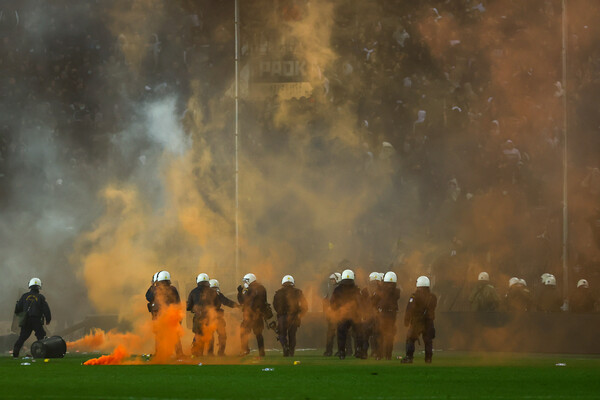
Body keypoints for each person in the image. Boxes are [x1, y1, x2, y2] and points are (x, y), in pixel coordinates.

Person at [146, 270, 184, 357]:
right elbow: (178, 303)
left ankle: (159, 354)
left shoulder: (155, 289)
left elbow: (148, 297)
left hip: (159, 316)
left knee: (159, 335)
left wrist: (152, 285)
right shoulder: (173, 289)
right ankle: (179, 354)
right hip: (171, 315)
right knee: (175, 334)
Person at [401, 275, 437, 364]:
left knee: (410, 339)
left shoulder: (414, 296)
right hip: (429, 321)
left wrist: (406, 320)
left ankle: (409, 357)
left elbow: (409, 308)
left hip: (417, 321)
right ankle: (428, 359)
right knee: (428, 341)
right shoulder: (433, 297)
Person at [13, 278, 51, 358]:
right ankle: (41, 353)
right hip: (36, 320)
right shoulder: (40, 297)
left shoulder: (24, 296)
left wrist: (22, 315)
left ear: (30, 286)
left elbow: (17, 309)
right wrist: (48, 319)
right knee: (41, 336)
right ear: (39, 287)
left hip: (26, 320)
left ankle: (15, 354)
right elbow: (46, 309)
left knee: (22, 337)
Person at [329, 269, 362, 360]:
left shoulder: (337, 289)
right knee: (358, 334)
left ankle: (342, 352)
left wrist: (337, 312)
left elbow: (332, 303)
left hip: (342, 315)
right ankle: (358, 351)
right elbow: (360, 303)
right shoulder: (356, 289)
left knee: (341, 335)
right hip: (354, 315)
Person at [273, 275, 308, 357]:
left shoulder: (278, 293)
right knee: (292, 335)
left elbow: (275, 305)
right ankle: (291, 352)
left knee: (282, 334)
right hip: (294, 317)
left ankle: (285, 347)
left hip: (282, 317)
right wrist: (300, 315)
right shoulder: (298, 292)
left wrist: (280, 312)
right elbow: (305, 306)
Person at [237, 273, 271, 357]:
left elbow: (242, 301)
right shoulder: (262, 288)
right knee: (259, 334)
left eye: (246, 281)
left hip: (249, 315)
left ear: (250, 280)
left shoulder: (250, 290)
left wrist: (239, 293)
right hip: (259, 315)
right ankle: (261, 352)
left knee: (244, 333)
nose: (245, 283)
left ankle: (245, 350)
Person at [186, 273, 218, 356]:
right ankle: (210, 353)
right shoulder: (213, 292)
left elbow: (188, 306)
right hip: (210, 317)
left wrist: (193, 308)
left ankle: (198, 353)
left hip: (198, 317)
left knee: (198, 334)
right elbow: (217, 304)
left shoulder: (193, 292)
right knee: (210, 334)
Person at [207, 279, 238, 356]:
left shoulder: (206, 295)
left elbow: (227, 301)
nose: (214, 290)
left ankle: (212, 352)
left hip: (212, 318)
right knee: (220, 335)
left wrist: (236, 305)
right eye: (213, 288)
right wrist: (237, 306)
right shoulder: (218, 294)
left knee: (218, 335)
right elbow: (227, 302)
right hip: (215, 317)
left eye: (215, 288)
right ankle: (219, 352)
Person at [377, 271, 401, 360]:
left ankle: (380, 355)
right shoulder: (397, 290)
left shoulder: (383, 290)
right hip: (392, 314)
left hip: (384, 313)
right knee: (389, 335)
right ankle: (388, 355)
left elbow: (380, 297)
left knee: (381, 335)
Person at [360, 272, 383, 359]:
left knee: (365, 336)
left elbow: (361, 303)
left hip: (368, 315)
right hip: (376, 316)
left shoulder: (365, 290)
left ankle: (364, 353)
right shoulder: (381, 290)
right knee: (377, 335)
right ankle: (377, 353)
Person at [322, 272, 341, 356]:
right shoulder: (330, 289)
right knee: (330, 334)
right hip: (331, 315)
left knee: (341, 333)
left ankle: (343, 350)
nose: (332, 281)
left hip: (338, 314)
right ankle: (329, 351)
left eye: (333, 279)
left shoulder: (339, 289)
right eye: (331, 280)